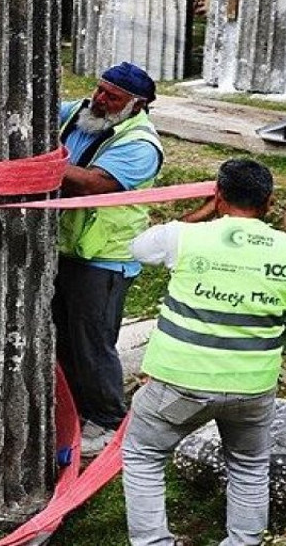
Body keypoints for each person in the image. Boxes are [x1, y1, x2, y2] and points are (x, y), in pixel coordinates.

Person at [122, 158, 286, 546]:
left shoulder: (183, 236)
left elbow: (138, 248)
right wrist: (267, 353)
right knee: (249, 467)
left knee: (144, 456)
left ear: (218, 195)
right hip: (252, 388)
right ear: (269, 202)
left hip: (178, 384)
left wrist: (199, 216)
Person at [51, 61, 163, 457]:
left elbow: (93, 184)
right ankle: (75, 412)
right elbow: (41, 109)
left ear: (137, 105)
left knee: (93, 344)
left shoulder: (140, 145)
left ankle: (108, 420)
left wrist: (40, 166)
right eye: (100, 89)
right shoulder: (82, 114)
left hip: (104, 259)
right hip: (68, 250)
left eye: (112, 97)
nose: (100, 100)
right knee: (63, 337)